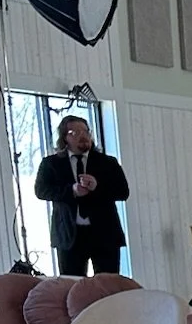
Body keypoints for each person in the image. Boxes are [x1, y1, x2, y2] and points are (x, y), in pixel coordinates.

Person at [33, 115, 128, 277]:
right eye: (75, 132)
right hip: (69, 235)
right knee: (72, 285)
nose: (83, 135)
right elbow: (41, 191)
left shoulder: (108, 162)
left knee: (108, 285)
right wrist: (72, 191)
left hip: (104, 233)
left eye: (85, 131)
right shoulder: (51, 163)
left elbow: (123, 192)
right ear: (65, 137)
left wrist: (97, 187)